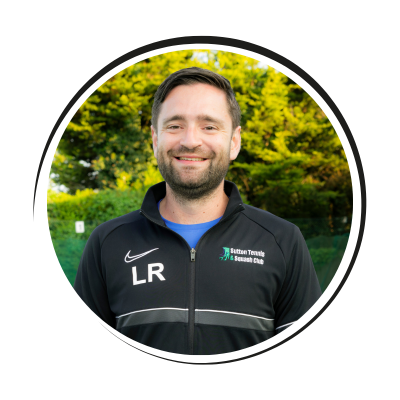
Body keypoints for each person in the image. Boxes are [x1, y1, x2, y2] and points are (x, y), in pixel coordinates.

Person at [74, 67, 322, 355]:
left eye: (209, 126)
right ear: (155, 140)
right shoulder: (108, 243)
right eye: (174, 126)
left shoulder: (282, 241)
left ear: (234, 142)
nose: (190, 140)